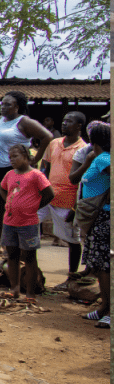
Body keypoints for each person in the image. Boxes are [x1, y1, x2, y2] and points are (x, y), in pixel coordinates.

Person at [0, 91, 52, 254]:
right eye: (2, 103)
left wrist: (35, 158)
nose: (2, 107)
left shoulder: (24, 122)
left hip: (12, 170)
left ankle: (13, 247)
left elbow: (47, 136)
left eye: (7, 104)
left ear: (17, 107)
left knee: (13, 208)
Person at [37, 112, 87, 288]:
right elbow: (45, 169)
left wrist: (75, 207)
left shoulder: (83, 149)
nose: (64, 124)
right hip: (47, 196)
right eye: (64, 120)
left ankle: (71, 277)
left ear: (79, 126)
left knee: (73, 240)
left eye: (70, 121)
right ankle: (29, 268)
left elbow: (82, 182)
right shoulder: (54, 143)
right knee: (28, 223)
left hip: (67, 200)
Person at [0, 144, 53, 302]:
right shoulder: (9, 175)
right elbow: (2, 189)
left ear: (25, 156)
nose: (12, 160)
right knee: (12, 255)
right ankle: (14, 288)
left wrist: (34, 206)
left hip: (28, 223)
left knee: (29, 257)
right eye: (10, 157)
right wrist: (8, 202)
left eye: (15, 156)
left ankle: (30, 293)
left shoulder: (36, 175)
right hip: (9, 222)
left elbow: (49, 194)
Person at [69, 122, 110, 328]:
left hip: (104, 217)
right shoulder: (96, 157)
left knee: (105, 266)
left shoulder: (104, 158)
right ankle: (104, 308)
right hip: (96, 217)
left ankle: (108, 311)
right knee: (100, 265)